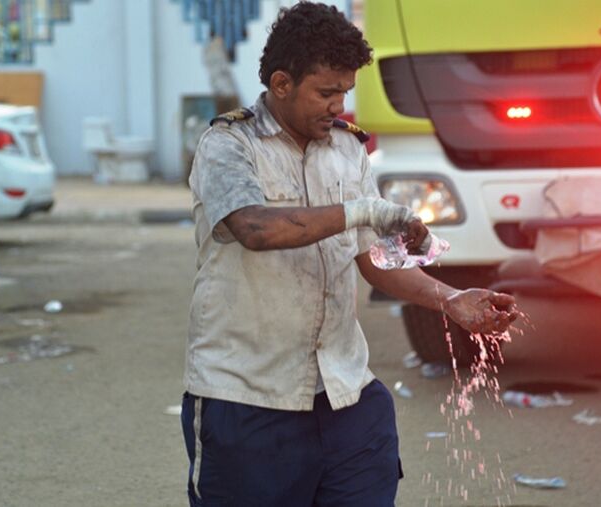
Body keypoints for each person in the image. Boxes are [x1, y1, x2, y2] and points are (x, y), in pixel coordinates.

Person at [181, 3, 518, 506]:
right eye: (326, 91)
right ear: (280, 84)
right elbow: (254, 228)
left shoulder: (346, 150)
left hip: (346, 395)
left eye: (344, 91)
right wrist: (361, 210)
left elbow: (373, 261)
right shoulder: (228, 145)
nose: (338, 104)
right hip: (248, 397)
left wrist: (452, 301)